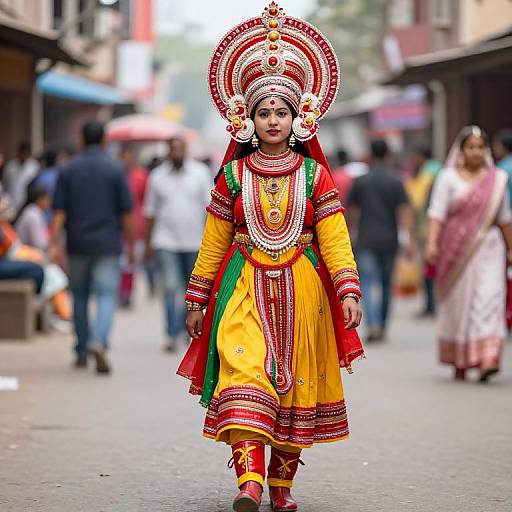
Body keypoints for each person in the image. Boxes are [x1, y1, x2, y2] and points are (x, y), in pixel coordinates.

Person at [176, 4, 364, 511]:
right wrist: (197, 298)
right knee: (243, 376)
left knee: (298, 389)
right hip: (244, 288)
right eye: (264, 112)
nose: (274, 120)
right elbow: (214, 240)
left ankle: (281, 488)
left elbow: (335, 236)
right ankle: (250, 485)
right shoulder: (232, 177)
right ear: (249, 119)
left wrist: (347, 289)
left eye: (282, 111)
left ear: (298, 116)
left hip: (303, 291)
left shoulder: (313, 176)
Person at [426, 125, 512, 383]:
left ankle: (488, 357)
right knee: (459, 304)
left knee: (490, 299)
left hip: (489, 247)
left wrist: (510, 249)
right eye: (471, 147)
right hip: (455, 249)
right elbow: (437, 214)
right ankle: (461, 359)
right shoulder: (447, 178)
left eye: (480, 147)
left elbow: (505, 218)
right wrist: (432, 244)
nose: (476, 152)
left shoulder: (496, 180)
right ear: (461, 150)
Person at [49, 121, 134, 374]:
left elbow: (59, 212)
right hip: (108, 243)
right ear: (105, 140)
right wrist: (130, 245)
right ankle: (98, 341)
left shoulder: (68, 170)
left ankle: (82, 348)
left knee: (80, 297)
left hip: (77, 243)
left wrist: (55, 243)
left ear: (82, 140)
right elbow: (127, 213)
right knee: (107, 295)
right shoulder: (116, 169)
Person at [143, 137, 211, 352]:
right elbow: (150, 211)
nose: (177, 154)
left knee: (189, 289)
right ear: (169, 152)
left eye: (181, 149)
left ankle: (185, 327)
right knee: (171, 287)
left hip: (194, 240)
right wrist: (147, 244)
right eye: (174, 150)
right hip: (166, 240)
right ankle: (171, 332)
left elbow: (210, 209)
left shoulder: (199, 173)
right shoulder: (157, 177)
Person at [347, 139, 412, 341]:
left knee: (366, 282)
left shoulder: (361, 180)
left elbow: (352, 210)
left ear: (371, 154)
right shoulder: (396, 180)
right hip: (389, 239)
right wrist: (407, 237)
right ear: (387, 155)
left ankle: (372, 324)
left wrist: (350, 232)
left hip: (366, 238)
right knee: (385, 283)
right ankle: (382, 325)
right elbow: (404, 210)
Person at [406, 145, 442, 316]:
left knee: (428, 268)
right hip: (438, 227)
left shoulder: (427, 174)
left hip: (426, 228)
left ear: (421, 156)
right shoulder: (440, 170)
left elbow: (416, 201)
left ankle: (430, 304)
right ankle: (432, 303)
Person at [118, 145, 148, 308]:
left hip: (136, 227)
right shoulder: (116, 176)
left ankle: (127, 293)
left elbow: (145, 201)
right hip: (117, 228)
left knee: (131, 264)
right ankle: (120, 292)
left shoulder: (140, 176)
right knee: (120, 264)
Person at [2, 142, 39, 213]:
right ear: (19, 152)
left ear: (29, 153)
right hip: (11, 201)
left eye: (26, 152)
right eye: (23, 152)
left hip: (27, 202)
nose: (24, 155)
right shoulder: (10, 166)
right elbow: (5, 184)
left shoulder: (34, 166)